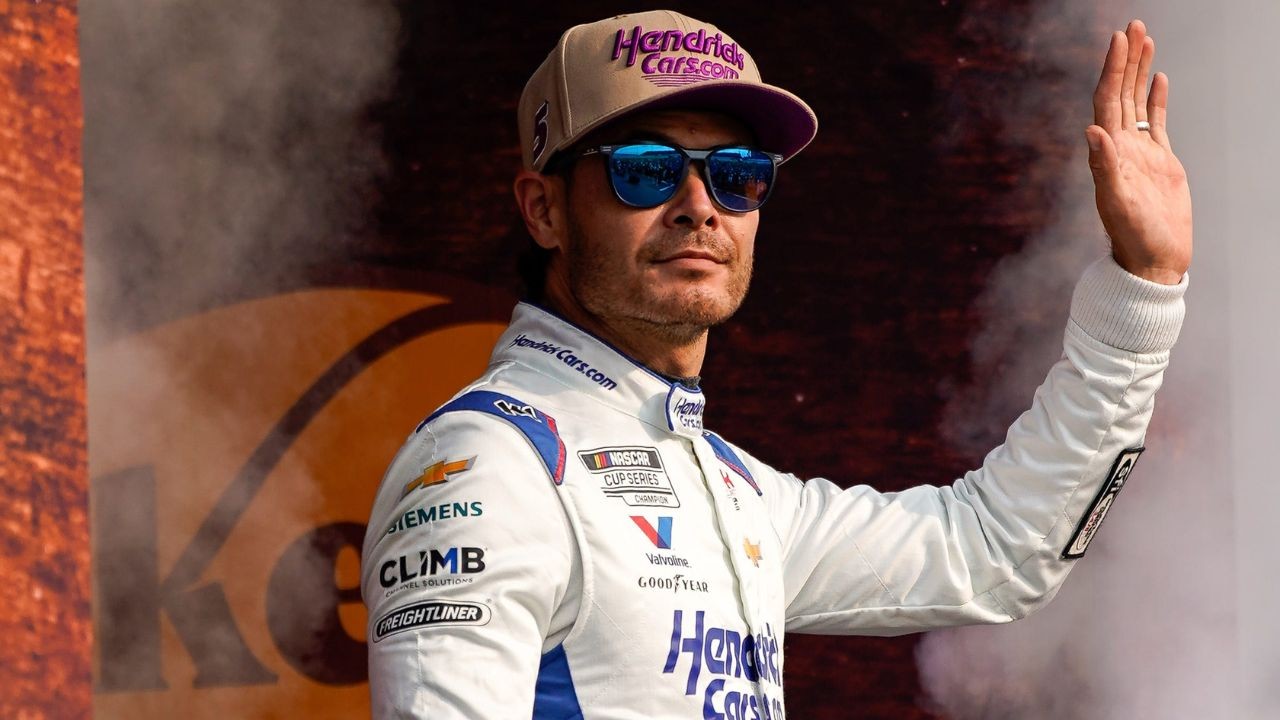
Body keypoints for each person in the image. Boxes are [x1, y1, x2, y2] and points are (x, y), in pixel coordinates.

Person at [361, 10, 1191, 718]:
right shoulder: (487, 469)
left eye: (737, 175)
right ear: (544, 209)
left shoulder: (731, 489)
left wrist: (1143, 288)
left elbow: (992, 550)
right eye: (644, 171)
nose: (698, 206)